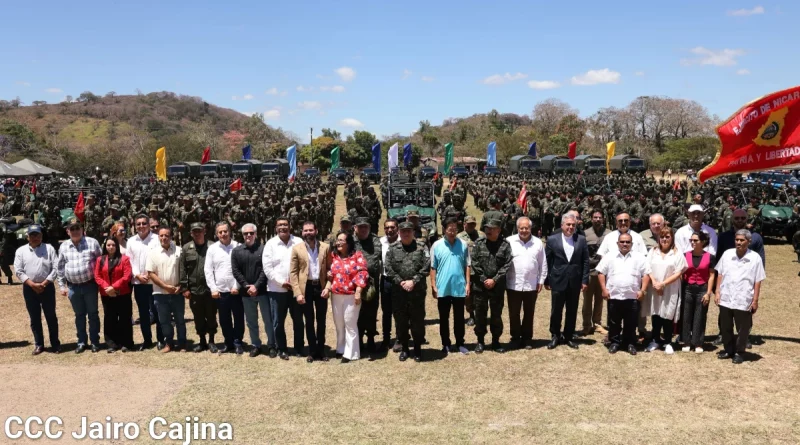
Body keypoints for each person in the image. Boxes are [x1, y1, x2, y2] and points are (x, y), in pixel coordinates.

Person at [715, 229, 765, 364]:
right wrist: (718, 291)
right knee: (725, 326)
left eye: (742, 240)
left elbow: (758, 280)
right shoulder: (727, 254)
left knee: (742, 328)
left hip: (744, 297)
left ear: (748, 242)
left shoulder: (755, 258)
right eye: (737, 239)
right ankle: (728, 349)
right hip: (726, 296)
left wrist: (755, 300)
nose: (738, 242)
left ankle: (739, 352)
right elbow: (720, 274)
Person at [597, 232, 650, 355]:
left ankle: (630, 343)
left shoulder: (639, 257)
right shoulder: (609, 256)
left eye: (627, 242)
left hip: (632, 297)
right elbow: (601, 273)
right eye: (622, 242)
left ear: (632, 244)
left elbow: (646, 274)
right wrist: (604, 289)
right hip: (614, 296)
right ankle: (615, 343)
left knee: (631, 322)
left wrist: (643, 290)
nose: (625, 244)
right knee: (614, 322)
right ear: (617, 243)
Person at [56, 217, 102, 353]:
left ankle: (95, 342)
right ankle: (81, 342)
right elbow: (60, 268)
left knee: (93, 314)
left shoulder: (92, 243)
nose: (75, 231)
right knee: (79, 315)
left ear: (82, 229)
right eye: (72, 229)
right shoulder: (63, 246)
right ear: (67, 231)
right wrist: (61, 286)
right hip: (73, 288)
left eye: (78, 228)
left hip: (90, 286)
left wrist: (100, 283)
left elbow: (101, 262)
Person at [385, 221, 429, 362]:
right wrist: (401, 281)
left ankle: (417, 348)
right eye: (403, 231)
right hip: (399, 292)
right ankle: (404, 348)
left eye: (408, 231)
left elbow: (426, 267)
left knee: (417, 321)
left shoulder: (422, 247)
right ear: (399, 232)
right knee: (401, 322)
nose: (406, 233)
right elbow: (388, 268)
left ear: (413, 232)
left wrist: (413, 281)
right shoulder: (392, 248)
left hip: (417, 292)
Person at [544, 214, 590, 349]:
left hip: (575, 281)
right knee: (556, 310)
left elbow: (585, 261)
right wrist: (547, 279)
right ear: (562, 225)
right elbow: (548, 261)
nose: (570, 227)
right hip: (558, 280)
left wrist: (584, 280)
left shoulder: (581, 240)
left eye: (573, 225)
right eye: (568, 224)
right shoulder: (552, 240)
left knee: (572, 310)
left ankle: (568, 336)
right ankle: (555, 335)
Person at [14, 224, 60, 355]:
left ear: (41, 235)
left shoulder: (49, 248)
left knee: (51, 316)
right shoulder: (20, 251)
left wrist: (44, 283)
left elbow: (55, 268)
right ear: (27, 237)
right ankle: (39, 344)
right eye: (32, 235)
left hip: (47, 287)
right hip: (29, 288)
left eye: (38, 235)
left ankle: (55, 344)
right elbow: (18, 270)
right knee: (34, 318)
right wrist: (32, 284)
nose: (35, 237)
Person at [289, 221, 332, 362]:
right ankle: (312, 350)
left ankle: (321, 350)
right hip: (305, 288)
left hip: (320, 287)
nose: (308, 233)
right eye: (305, 230)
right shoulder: (297, 249)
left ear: (316, 231)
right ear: (302, 233)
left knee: (321, 320)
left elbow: (331, 270)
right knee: (309, 320)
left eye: (310, 230)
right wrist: (298, 293)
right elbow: (293, 273)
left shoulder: (325, 247)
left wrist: (327, 287)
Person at [469, 219, 512, 353]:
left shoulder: (505, 245)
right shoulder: (479, 243)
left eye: (492, 228)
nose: (488, 230)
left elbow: (507, 264)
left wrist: (494, 280)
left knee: (496, 315)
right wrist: (483, 279)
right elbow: (474, 262)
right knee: (480, 315)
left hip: (497, 287)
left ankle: (496, 341)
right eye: (487, 228)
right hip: (480, 287)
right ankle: (480, 341)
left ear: (498, 230)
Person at [262, 217, 301, 360]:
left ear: (290, 226)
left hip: (295, 290)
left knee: (298, 320)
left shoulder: (298, 242)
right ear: (275, 228)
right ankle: (282, 348)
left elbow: (304, 264)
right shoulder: (270, 244)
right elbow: (267, 268)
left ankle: (299, 348)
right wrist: (281, 282)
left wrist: (296, 283)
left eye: (285, 224)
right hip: (276, 290)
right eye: (280, 225)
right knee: (278, 322)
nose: (283, 227)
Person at [430, 217, 470, 355]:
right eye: (449, 229)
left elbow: (467, 265)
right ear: (444, 229)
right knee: (443, 318)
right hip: (443, 287)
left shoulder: (463, 244)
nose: (452, 232)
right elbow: (433, 267)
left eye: (454, 229)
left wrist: (468, 284)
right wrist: (433, 285)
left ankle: (460, 343)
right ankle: (445, 344)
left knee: (459, 317)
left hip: (459, 287)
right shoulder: (436, 245)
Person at [505, 216, 547, 350]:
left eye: (526, 228)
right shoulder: (509, 241)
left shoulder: (538, 243)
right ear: (517, 228)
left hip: (531, 284)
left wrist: (541, 280)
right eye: (521, 228)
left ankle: (527, 338)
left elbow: (543, 263)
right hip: (513, 284)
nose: (524, 230)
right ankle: (516, 338)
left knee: (529, 312)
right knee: (514, 312)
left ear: (531, 228)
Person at [644, 227, 687, 354]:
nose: (664, 239)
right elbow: (648, 268)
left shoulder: (677, 253)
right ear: (658, 238)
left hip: (670, 288)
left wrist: (663, 284)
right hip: (655, 288)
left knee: (668, 314)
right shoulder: (653, 251)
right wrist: (656, 284)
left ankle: (668, 342)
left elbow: (678, 272)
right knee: (656, 313)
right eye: (662, 236)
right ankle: (655, 340)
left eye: (667, 236)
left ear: (672, 238)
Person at [328, 230, 369, 362]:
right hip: (336, 295)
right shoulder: (333, 256)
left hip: (351, 295)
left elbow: (363, 273)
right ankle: (340, 349)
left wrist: (358, 292)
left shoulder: (357, 256)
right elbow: (329, 272)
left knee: (350, 324)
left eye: (341, 240)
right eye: (337, 240)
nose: (338, 242)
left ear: (349, 243)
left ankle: (351, 353)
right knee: (339, 323)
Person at [231, 223, 269, 358]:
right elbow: (235, 271)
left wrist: (256, 286)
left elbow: (266, 270)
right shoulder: (237, 251)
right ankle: (256, 345)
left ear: (256, 234)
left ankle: (271, 345)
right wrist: (247, 286)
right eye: (246, 233)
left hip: (263, 291)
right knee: (251, 321)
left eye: (251, 233)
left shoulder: (264, 249)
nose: (248, 235)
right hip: (246, 293)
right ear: (242, 235)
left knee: (267, 320)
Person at [179, 222, 218, 353]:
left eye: (199, 231)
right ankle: (202, 341)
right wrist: (184, 288)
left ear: (204, 231)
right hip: (194, 290)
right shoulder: (186, 248)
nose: (197, 233)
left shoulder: (213, 246)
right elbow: (182, 269)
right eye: (194, 231)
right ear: (191, 233)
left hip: (210, 289)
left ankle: (212, 340)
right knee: (198, 316)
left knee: (211, 314)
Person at [205, 222, 242, 354]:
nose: (223, 234)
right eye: (220, 232)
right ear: (216, 234)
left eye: (225, 231)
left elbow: (241, 269)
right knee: (224, 319)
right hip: (220, 292)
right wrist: (213, 288)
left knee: (238, 318)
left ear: (230, 231)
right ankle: (228, 343)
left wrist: (236, 286)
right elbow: (208, 271)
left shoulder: (238, 247)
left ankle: (238, 342)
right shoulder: (212, 249)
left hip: (235, 290)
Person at [126, 214, 161, 350]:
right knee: (143, 313)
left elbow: (159, 258)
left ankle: (160, 340)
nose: (141, 226)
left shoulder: (156, 239)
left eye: (144, 223)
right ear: (135, 226)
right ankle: (147, 340)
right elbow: (129, 261)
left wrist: (150, 273)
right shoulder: (131, 241)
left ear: (148, 224)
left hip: (154, 282)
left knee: (157, 311)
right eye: (138, 224)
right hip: (138, 282)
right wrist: (137, 275)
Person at [147, 228, 184, 352]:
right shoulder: (153, 253)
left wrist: (181, 286)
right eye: (161, 235)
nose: (164, 238)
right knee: (164, 321)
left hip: (177, 292)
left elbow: (184, 271)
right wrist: (165, 286)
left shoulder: (179, 251)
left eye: (167, 235)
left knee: (180, 320)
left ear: (171, 236)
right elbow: (151, 273)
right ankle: (169, 343)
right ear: (158, 237)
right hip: (160, 293)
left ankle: (182, 343)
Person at [94, 236, 134, 353]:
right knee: (109, 318)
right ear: (105, 247)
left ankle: (126, 343)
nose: (111, 247)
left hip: (123, 293)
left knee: (124, 318)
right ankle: (111, 343)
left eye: (113, 245)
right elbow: (97, 276)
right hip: (106, 294)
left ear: (117, 246)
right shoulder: (100, 260)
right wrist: (107, 287)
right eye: (108, 245)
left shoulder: (125, 259)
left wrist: (114, 287)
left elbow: (127, 276)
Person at [681, 231, 716, 353]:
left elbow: (712, 276)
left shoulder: (710, 257)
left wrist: (708, 293)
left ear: (703, 242)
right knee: (686, 315)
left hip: (702, 288)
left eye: (695, 240)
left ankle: (698, 343)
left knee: (700, 316)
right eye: (691, 240)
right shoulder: (685, 255)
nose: (692, 242)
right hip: (688, 288)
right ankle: (686, 341)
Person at [353, 217, 383, 355]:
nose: (363, 229)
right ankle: (358, 340)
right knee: (357, 312)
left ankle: (371, 338)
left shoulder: (376, 240)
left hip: (371, 283)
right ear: (355, 228)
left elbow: (377, 259)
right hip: (354, 284)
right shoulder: (350, 240)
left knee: (371, 310)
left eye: (365, 227)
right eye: (360, 227)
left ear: (369, 228)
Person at [582, 209, 610, 335]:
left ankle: (597, 323)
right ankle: (586, 325)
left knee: (600, 299)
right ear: (591, 219)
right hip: (589, 271)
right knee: (587, 300)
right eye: (595, 217)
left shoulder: (609, 234)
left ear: (603, 219)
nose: (598, 219)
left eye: (600, 217)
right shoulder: (585, 234)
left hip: (603, 272)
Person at [457, 215, 485, 327]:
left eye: (473, 224)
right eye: (469, 224)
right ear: (464, 224)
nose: (471, 226)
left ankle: (479, 315)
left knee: (480, 295)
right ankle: (471, 315)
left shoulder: (481, 235)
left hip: (479, 271)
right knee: (467, 296)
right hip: (465, 271)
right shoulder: (459, 237)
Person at [379, 218, 400, 352]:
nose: (389, 230)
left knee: (399, 311)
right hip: (385, 279)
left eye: (392, 227)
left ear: (397, 228)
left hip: (398, 280)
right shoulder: (380, 242)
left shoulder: (402, 241)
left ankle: (399, 339)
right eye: (387, 227)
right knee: (386, 312)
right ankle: (386, 339)